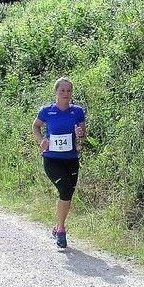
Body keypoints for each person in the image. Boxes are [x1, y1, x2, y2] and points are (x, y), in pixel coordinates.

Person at [32, 77, 86, 249]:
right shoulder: (47, 111)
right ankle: (61, 230)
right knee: (64, 188)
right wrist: (41, 140)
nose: (66, 93)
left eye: (68, 90)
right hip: (52, 159)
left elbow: (82, 134)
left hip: (71, 159)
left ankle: (57, 226)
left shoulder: (77, 111)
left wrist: (80, 133)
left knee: (68, 193)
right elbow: (36, 126)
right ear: (56, 92)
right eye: (62, 90)